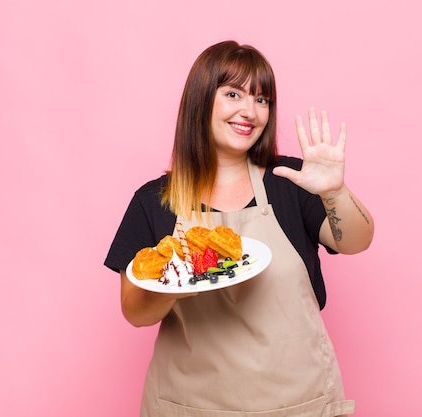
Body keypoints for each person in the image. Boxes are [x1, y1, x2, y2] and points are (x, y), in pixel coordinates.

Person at [104, 40, 374, 417]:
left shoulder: (291, 180)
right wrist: (180, 277)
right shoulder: (155, 200)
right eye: (234, 94)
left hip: (298, 403)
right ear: (201, 100)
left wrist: (334, 191)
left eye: (262, 100)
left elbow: (356, 242)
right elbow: (135, 312)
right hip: (190, 405)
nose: (250, 111)